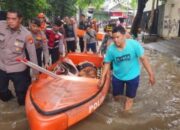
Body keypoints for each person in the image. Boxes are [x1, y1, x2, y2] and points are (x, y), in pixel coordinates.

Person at [99, 26, 155, 111]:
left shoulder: (134, 44)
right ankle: (118, 110)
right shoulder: (111, 49)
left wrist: (151, 74)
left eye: (118, 37)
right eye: (113, 38)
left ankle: (125, 115)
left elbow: (143, 59)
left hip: (133, 76)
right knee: (116, 97)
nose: (115, 40)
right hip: (117, 76)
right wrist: (102, 78)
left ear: (124, 36)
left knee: (129, 100)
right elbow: (107, 63)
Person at [0, 10, 38, 105]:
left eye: (13, 19)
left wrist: (35, 74)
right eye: (8, 18)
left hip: (18, 69)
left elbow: (33, 55)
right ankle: (9, 97)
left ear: (20, 19)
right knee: (3, 95)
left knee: (22, 98)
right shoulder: (1, 26)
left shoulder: (26, 35)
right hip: (2, 67)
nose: (10, 21)